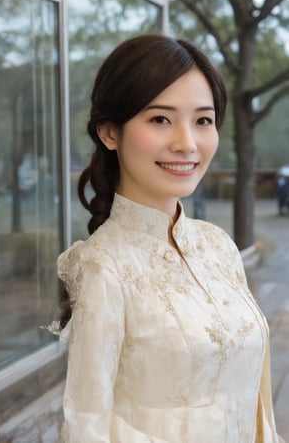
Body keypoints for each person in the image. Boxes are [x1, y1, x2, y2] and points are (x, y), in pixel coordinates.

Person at [56, 34, 284, 442]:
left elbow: (256, 400)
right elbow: (87, 425)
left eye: (203, 120)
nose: (187, 143)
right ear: (109, 132)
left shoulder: (217, 245)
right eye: (160, 119)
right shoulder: (102, 264)